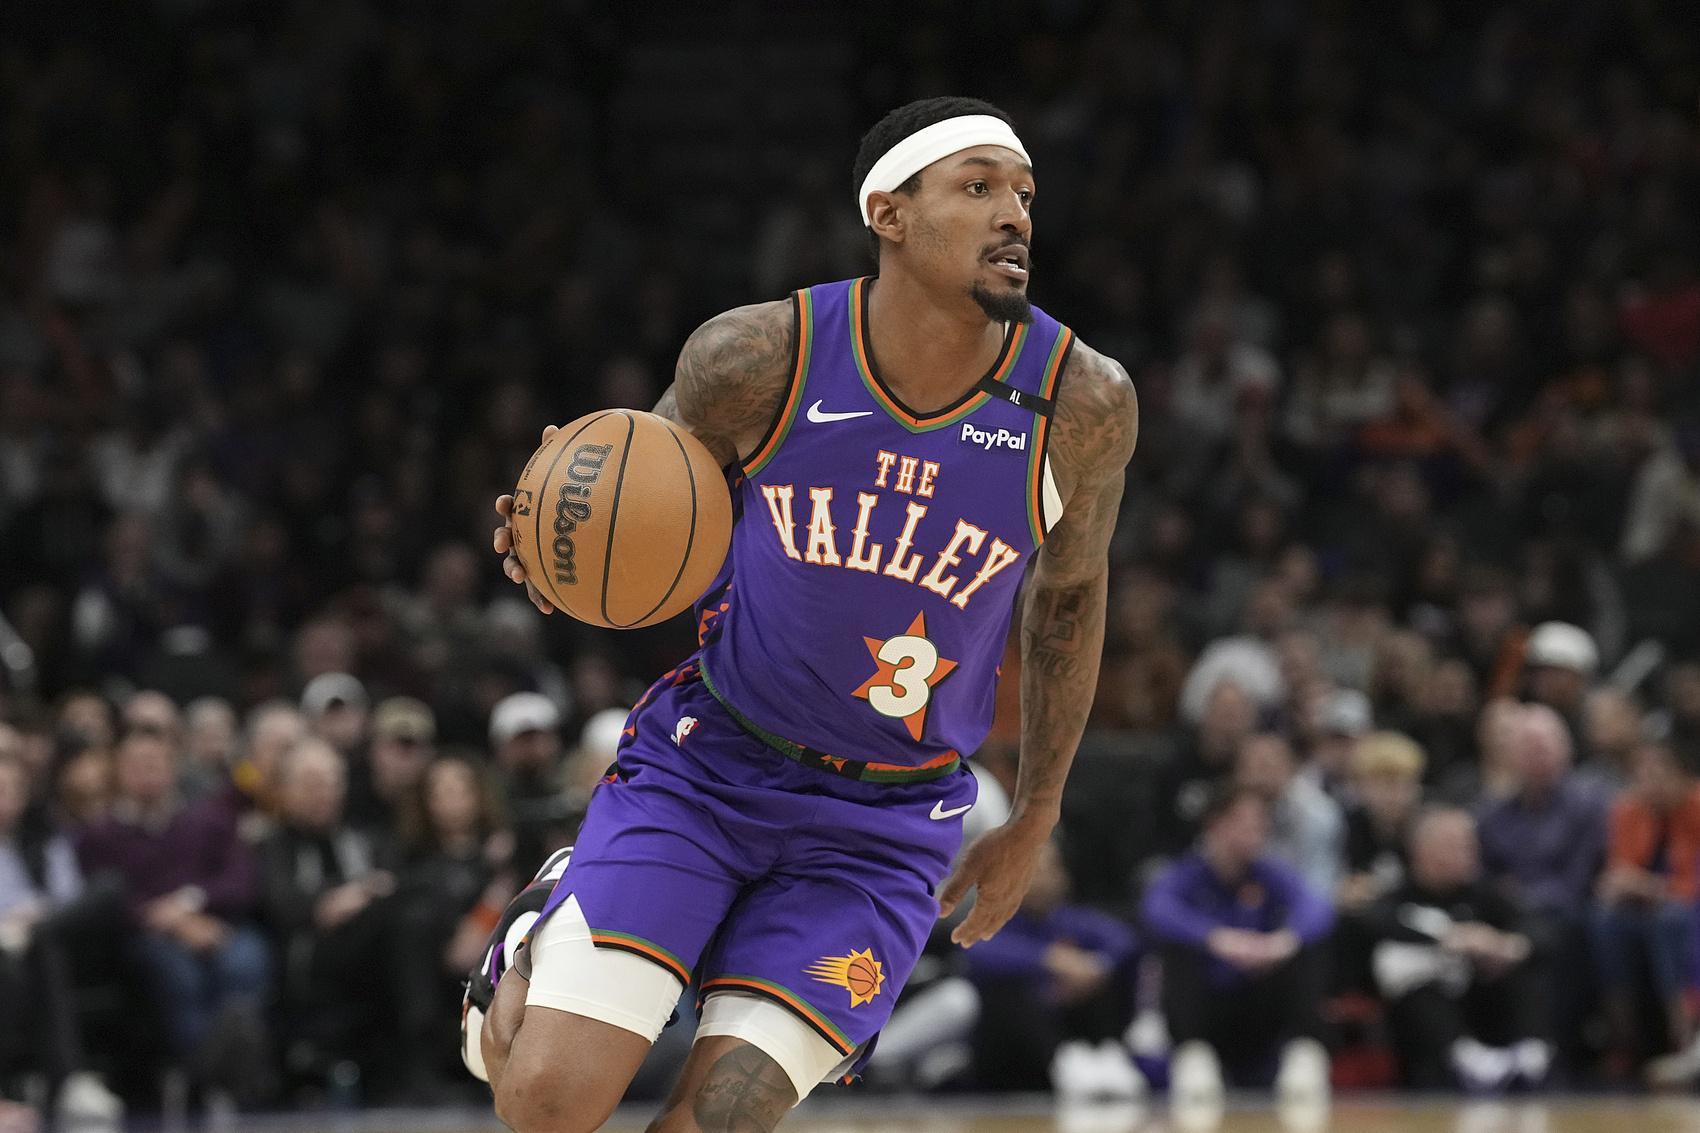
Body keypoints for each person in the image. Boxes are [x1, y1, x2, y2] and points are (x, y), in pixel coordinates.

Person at [476, 96, 1139, 1132]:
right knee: (546, 1107)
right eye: (977, 188)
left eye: (1022, 193)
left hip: (882, 823)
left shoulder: (1081, 401)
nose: (1014, 214)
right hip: (711, 763)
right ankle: (540, 920)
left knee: (717, 1120)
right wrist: (559, 539)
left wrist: (1036, 811)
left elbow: (1068, 599)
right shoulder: (757, 357)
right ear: (888, 214)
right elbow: (643, 499)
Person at [1140, 786, 1333, 1106]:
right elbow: (1156, 909)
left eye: (1261, 825)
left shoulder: (1269, 873)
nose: (1256, 834)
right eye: (1245, 824)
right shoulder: (1188, 874)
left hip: (1259, 1003)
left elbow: (1317, 908)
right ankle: (1193, 1056)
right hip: (1209, 1005)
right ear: (1215, 825)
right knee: (1178, 952)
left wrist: (1282, 942)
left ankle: (1304, 1052)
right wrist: (1218, 939)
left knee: (1306, 949)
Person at [1367, 807, 1546, 1090]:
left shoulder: (1487, 895)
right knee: (1405, 971)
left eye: (1470, 844)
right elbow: (1377, 923)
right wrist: (1450, 938)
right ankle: (1466, 1059)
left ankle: (1531, 1052)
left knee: (1524, 963)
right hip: (1428, 1020)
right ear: (1422, 851)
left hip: (1485, 1004)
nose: (1469, 853)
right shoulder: (1398, 897)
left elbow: (1539, 928)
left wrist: (1506, 946)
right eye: (1455, 845)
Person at [1589, 741, 1700, 1075]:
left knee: (1671, 921)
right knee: (1605, 922)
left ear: (1683, 776)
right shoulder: (1627, 811)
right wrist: (1617, 886)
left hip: (1684, 909)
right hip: (1642, 908)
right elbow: (1619, 869)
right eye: (1642, 775)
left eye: (1659, 774)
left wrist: (1653, 889)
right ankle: (1623, 1039)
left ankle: (1684, 1040)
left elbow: (1694, 884)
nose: (1650, 784)